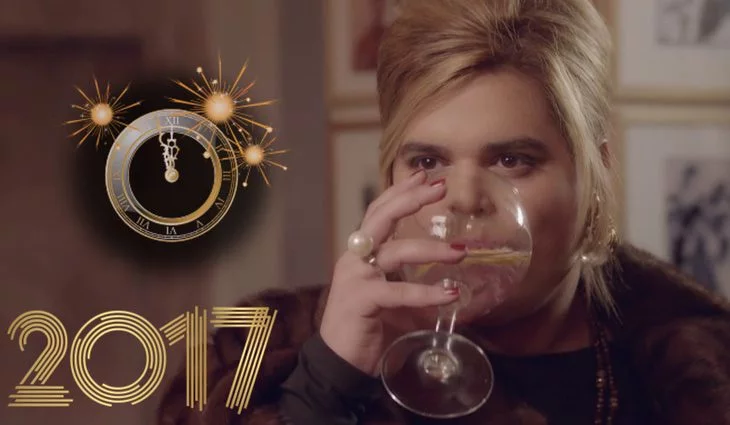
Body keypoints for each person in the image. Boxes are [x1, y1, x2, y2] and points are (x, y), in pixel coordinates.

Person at [157, 0, 730, 424]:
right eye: (428, 160)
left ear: (595, 174)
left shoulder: (702, 364)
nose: (463, 198)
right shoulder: (244, 361)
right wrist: (324, 384)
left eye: (512, 159)